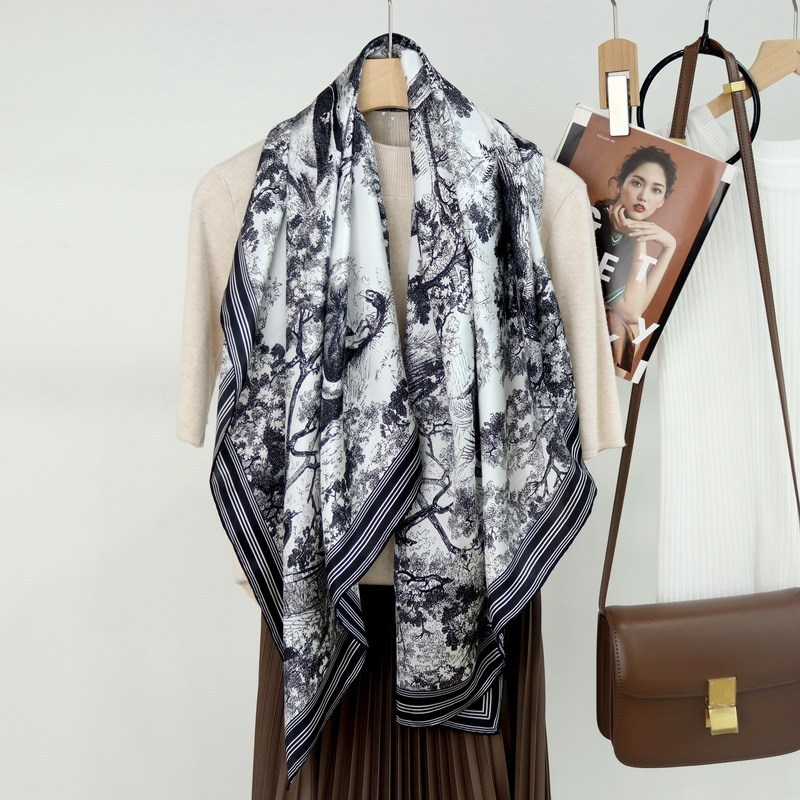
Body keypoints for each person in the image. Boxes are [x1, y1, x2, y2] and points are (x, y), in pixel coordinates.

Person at [592, 145, 678, 371]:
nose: (643, 196)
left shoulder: (630, 232)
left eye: (656, 190)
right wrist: (639, 236)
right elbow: (631, 312)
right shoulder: (598, 218)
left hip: (596, 317)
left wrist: (669, 247)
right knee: (628, 331)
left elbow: (636, 309)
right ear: (621, 184)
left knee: (632, 331)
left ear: (662, 201)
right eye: (637, 183)